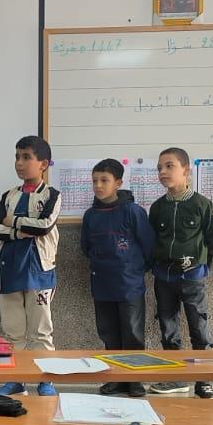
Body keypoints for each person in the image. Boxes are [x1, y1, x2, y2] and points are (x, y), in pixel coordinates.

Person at [0, 134, 62, 397]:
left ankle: (45, 379)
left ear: (43, 164)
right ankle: (16, 380)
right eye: (17, 157)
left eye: (26, 157)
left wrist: (13, 222)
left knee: (41, 331)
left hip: (39, 271)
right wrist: (19, 231)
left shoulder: (52, 195)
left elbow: (44, 226)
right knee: (13, 332)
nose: (19, 163)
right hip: (10, 269)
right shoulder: (8, 196)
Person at [148, 147, 213, 397]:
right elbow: (152, 240)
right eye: (159, 168)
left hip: (192, 277)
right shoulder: (158, 208)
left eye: (169, 166)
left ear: (186, 171)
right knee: (168, 329)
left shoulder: (202, 205)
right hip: (164, 277)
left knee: (199, 328)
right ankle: (176, 378)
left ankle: (204, 380)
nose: (163, 172)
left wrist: (204, 267)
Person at [79, 158, 156, 397]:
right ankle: (114, 378)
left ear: (118, 183)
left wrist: (134, 269)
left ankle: (134, 380)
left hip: (129, 285)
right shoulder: (91, 215)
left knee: (132, 333)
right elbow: (86, 247)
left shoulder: (132, 211)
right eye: (95, 181)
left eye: (104, 180)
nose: (98, 186)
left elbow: (149, 246)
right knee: (108, 333)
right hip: (102, 283)